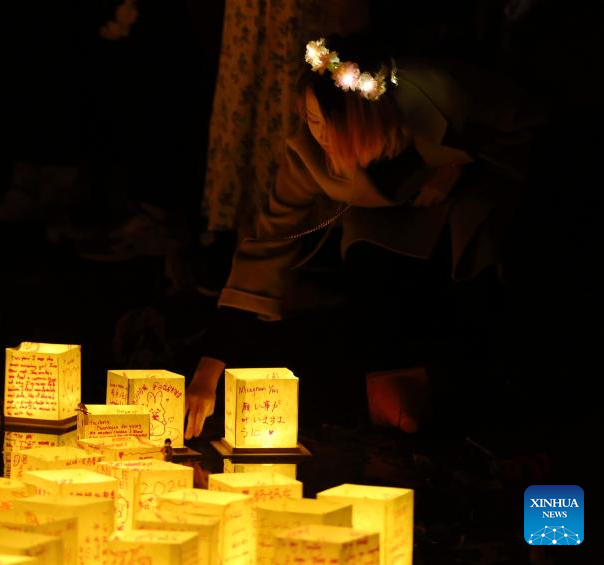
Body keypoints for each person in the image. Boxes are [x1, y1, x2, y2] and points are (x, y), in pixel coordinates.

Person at [183, 32, 533, 439]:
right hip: (384, 219)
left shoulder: (437, 97)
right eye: (310, 121)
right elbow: (266, 248)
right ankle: (399, 424)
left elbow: (526, 122)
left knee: (470, 295)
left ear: (362, 121)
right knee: (373, 277)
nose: (318, 135)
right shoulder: (308, 154)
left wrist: (454, 169)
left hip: (470, 193)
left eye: (325, 124)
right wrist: (209, 371)